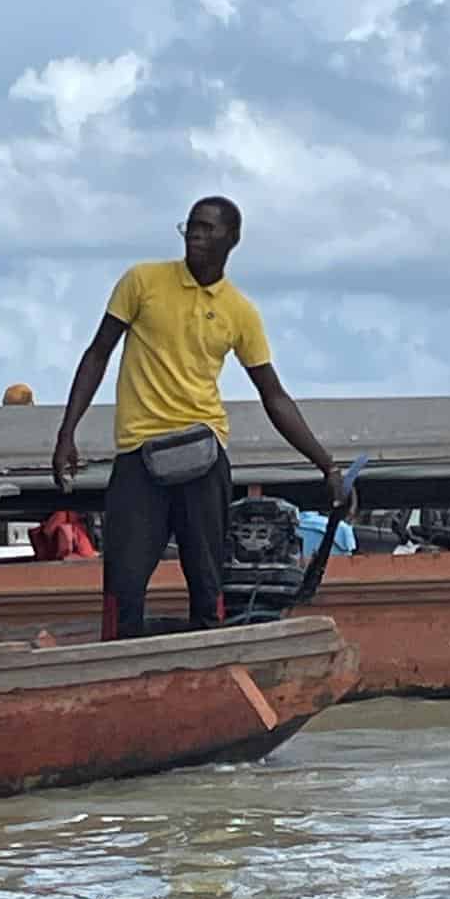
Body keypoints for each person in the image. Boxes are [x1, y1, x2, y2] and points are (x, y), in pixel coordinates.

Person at [53, 196, 348, 639]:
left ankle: (209, 661)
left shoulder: (239, 311)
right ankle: (116, 660)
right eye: (191, 226)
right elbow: (97, 354)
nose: (196, 234)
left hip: (203, 455)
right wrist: (67, 432)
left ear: (233, 239)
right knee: (124, 580)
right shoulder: (142, 281)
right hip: (139, 452)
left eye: (209, 228)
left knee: (207, 578)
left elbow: (274, 396)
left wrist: (327, 465)